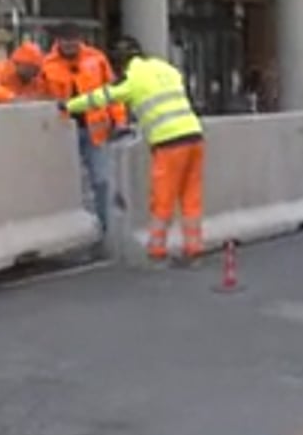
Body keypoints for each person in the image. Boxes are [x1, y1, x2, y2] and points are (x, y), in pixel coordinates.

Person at [63, 36, 205, 265]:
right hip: (194, 135)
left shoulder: (132, 79)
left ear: (121, 62)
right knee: (191, 196)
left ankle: (157, 250)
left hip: (168, 142)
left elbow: (101, 98)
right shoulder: (166, 68)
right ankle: (194, 247)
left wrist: (68, 106)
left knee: (162, 199)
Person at [39, 23, 124, 244]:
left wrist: (119, 120)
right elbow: (43, 99)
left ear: (80, 39)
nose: (70, 44)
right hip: (63, 132)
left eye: (74, 39)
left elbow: (112, 93)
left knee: (102, 180)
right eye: (65, 40)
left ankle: (105, 228)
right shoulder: (47, 65)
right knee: (66, 185)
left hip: (96, 130)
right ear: (58, 41)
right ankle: (71, 231)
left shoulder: (97, 59)